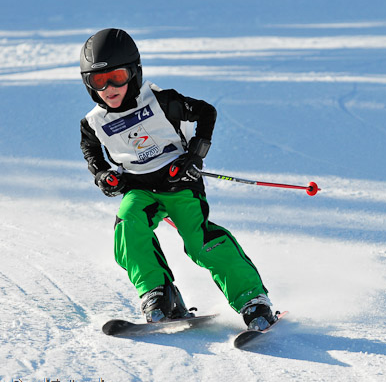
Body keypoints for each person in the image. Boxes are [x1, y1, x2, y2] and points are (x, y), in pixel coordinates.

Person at [79, 28, 277, 330]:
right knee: (128, 224)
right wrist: (103, 175)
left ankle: (253, 299)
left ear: (134, 73)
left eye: (116, 77)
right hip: (138, 186)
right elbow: (91, 151)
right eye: (98, 81)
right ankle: (158, 294)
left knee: (199, 242)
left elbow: (205, 113)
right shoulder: (94, 122)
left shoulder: (162, 101)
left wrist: (195, 155)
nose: (109, 88)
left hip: (178, 181)